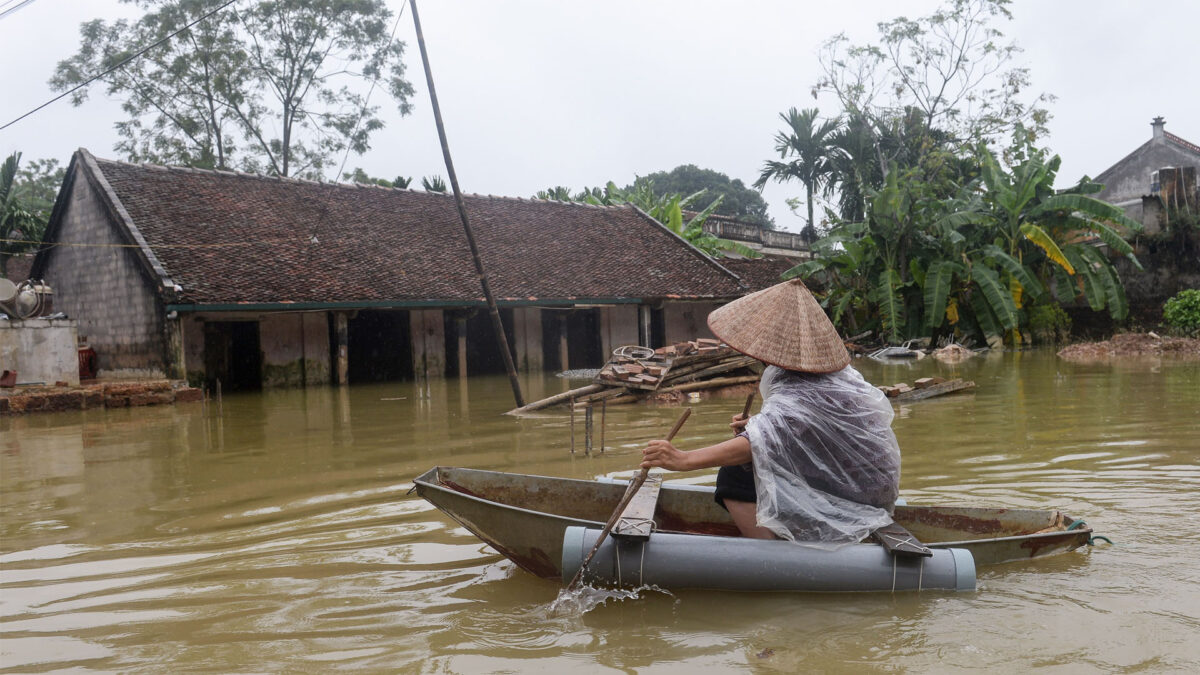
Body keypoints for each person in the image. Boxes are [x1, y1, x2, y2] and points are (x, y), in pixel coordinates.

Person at [640, 278, 901, 545]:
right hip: (869, 492)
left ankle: (771, 554)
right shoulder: (836, 377)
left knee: (734, 474)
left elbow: (760, 442)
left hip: (854, 497)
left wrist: (683, 460)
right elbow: (806, 433)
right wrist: (758, 426)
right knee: (754, 463)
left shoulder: (802, 387)